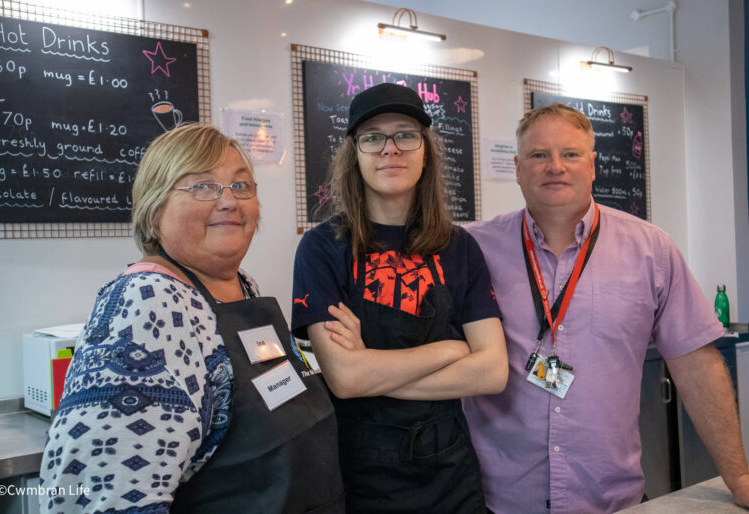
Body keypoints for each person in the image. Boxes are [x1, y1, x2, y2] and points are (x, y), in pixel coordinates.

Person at [39, 123, 344, 513]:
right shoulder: (148, 301)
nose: (229, 201)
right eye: (202, 186)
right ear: (153, 211)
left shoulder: (244, 287)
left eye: (241, 186)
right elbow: (99, 497)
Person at [462, 103, 749, 513]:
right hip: (497, 501)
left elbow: (697, 365)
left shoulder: (652, 250)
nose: (555, 166)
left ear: (593, 165)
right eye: (539, 155)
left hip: (613, 502)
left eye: (571, 154)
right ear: (517, 167)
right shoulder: (472, 249)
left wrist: (738, 476)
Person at [291, 82, 508, 513]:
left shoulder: (459, 246)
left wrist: (373, 371)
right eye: (373, 137)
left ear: (425, 150)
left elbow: (492, 372)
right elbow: (345, 379)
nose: (391, 149)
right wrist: (450, 349)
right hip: (362, 480)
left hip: (452, 479)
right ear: (355, 153)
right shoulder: (322, 248)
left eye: (405, 134)